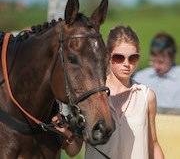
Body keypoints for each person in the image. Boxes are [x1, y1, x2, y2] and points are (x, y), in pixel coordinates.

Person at [52, 26, 164, 159]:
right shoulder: (90, 97)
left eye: (133, 58)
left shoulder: (147, 96)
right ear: (107, 57)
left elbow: (153, 143)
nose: (127, 64)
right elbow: (73, 151)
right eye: (119, 57)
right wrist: (66, 134)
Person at [134, 32, 180, 112]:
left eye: (161, 62)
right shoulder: (140, 78)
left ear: (172, 58)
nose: (156, 66)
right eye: (153, 61)